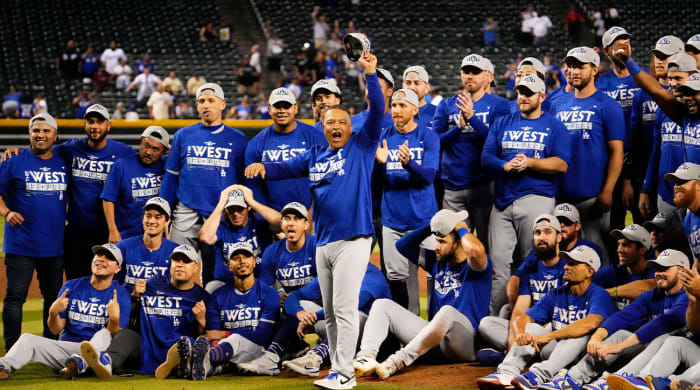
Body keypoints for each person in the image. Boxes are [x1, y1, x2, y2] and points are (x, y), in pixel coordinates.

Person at [244, 51, 383, 389]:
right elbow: (287, 167)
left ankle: (346, 373)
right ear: (322, 128)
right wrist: (266, 168)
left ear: (351, 128)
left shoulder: (362, 148)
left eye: (341, 122)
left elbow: (378, 109)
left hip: (355, 237)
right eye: (329, 123)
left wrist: (370, 74)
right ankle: (337, 368)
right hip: (324, 241)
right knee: (333, 312)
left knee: (344, 306)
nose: (335, 126)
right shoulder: (317, 155)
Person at [353, 209, 491, 379]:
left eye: (442, 241)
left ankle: (399, 360)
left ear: (458, 244)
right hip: (435, 342)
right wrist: (433, 224)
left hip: (465, 344)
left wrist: (460, 227)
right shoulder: (436, 261)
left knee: (447, 311)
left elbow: (476, 251)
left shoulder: (476, 267)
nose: (437, 247)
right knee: (382, 305)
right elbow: (402, 245)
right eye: (436, 241)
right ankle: (366, 357)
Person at [482, 75, 571, 314]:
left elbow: (562, 164)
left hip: (536, 197)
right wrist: (505, 166)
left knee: (532, 263)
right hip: (502, 202)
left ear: (542, 97)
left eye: (529, 93)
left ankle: (534, 319)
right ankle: (495, 320)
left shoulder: (554, 125)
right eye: (520, 92)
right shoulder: (503, 121)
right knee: (498, 265)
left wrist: (530, 162)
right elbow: (486, 157)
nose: (522, 96)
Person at [540, 249, 689, 390]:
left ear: (683, 272)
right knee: (619, 334)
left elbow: (664, 322)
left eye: (665, 269)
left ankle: (619, 379)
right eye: (657, 269)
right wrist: (597, 338)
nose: (659, 273)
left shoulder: (689, 296)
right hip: (655, 352)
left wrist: (619, 347)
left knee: (664, 338)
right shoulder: (654, 294)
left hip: (689, 356)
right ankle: (574, 378)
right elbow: (623, 316)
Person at [477, 245, 616, 389]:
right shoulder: (557, 293)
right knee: (531, 328)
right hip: (555, 350)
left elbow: (590, 324)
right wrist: (520, 334)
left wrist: (548, 336)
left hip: (585, 356)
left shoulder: (600, 295)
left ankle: (539, 375)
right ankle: (507, 372)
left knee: (580, 334)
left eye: (573, 264)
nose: (567, 267)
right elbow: (525, 317)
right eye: (567, 263)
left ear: (589, 272)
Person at [159, 83, 248, 285]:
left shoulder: (238, 139)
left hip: (222, 214)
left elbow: (243, 183)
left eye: (211, 101)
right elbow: (171, 177)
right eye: (201, 101)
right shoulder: (183, 135)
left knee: (221, 274)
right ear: (196, 106)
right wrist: (165, 213)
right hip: (185, 210)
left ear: (223, 104)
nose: (206, 105)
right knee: (177, 269)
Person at [0, 244, 130, 380]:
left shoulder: (120, 294)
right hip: (66, 353)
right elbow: (55, 330)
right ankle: (4, 366)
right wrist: (53, 312)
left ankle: (80, 363)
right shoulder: (72, 286)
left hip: (96, 354)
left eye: (108, 258)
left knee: (104, 334)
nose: (101, 259)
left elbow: (115, 337)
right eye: (98, 255)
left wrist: (114, 318)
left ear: (117, 268)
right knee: (27, 339)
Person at [155, 243, 280, 381]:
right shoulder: (218, 296)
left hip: (258, 352)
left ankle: (194, 359)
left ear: (254, 262)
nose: (242, 261)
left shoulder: (269, 293)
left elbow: (264, 336)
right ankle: (197, 368)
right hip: (225, 352)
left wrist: (225, 334)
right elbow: (212, 335)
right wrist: (217, 345)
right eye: (236, 258)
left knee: (234, 339)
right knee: (215, 360)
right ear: (229, 266)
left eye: (246, 256)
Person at [241, 262, 390, 377]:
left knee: (351, 314)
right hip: (339, 335)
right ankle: (270, 358)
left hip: (373, 340)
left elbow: (349, 305)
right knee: (303, 306)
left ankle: (316, 357)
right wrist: (300, 314)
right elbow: (294, 297)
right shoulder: (333, 272)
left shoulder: (371, 274)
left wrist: (315, 316)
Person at [549, 47, 625, 266]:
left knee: (597, 255)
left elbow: (617, 151)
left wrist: (608, 190)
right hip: (560, 195)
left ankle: (604, 298)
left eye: (579, 67)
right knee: (561, 256)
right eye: (570, 66)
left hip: (592, 196)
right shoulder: (557, 105)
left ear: (594, 69)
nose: (573, 71)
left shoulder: (608, 105)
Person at [0, 114, 68, 350]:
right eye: (36, 130)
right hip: (21, 244)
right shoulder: (13, 160)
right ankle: (12, 351)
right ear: (29, 134)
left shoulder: (64, 159)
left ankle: (51, 350)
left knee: (53, 299)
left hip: (54, 245)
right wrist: (6, 212)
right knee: (15, 298)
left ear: (55, 135)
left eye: (46, 131)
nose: (41, 135)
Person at [432, 53, 510, 254]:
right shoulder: (447, 105)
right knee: (453, 247)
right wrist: (457, 128)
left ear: (488, 76)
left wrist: (472, 119)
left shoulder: (499, 105)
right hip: (453, 187)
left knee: (485, 246)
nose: (470, 76)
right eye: (466, 71)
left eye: (475, 72)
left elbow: (500, 144)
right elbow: (434, 142)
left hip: (484, 186)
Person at [376, 88, 440, 314]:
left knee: (436, 275)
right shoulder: (383, 137)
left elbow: (429, 176)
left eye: (402, 105)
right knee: (399, 283)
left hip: (424, 224)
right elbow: (374, 183)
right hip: (393, 223)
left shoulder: (428, 136)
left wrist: (409, 164)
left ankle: (435, 329)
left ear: (415, 109)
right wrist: (380, 164)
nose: (396, 110)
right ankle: (408, 336)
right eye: (393, 105)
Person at [477, 215, 567, 365]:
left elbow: (563, 313)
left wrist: (532, 331)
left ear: (559, 237)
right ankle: (518, 353)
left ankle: (515, 355)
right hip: (529, 329)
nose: (541, 237)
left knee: (545, 339)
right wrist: (516, 338)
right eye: (537, 233)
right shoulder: (529, 268)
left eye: (547, 232)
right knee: (486, 324)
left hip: (555, 331)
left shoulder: (568, 267)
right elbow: (520, 310)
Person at [245, 87, 327, 211]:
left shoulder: (314, 136)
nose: (282, 111)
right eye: (277, 107)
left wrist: (312, 212)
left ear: (295, 108)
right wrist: (266, 217)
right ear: (269, 109)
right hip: (273, 215)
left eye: (286, 106)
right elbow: (254, 186)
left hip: (310, 214)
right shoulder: (256, 143)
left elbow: (326, 178)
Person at [640, 53, 699, 217]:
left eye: (678, 78)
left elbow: (654, 90)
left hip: (694, 195)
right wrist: (646, 188)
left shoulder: (687, 114)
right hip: (667, 193)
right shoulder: (669, 112)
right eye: (670, 78)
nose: (673, 83)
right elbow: (656, 151)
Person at [199, 185, 278, 287]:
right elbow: (205, 238)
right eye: (231, 209)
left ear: (248, 207)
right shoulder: (222, 228)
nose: (235, 214)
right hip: (228, 284)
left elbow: (280, 223)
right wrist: (221, 203)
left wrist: (251, 201)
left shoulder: (259, 224)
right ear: (226, 209)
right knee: (211, 286)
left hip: (260, 282)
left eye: (240, 209)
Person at [101, 126, 169, 242]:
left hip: (157, 236)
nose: (148, 152)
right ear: (141, 141)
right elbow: (108, 199)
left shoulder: (167, 165)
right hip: (126, 235)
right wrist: (113, 230)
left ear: (163, 152)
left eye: (155, 149)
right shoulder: (122, 165)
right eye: (146, 145)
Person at [115, 197, 178, 292]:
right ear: (142, 218)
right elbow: (111, 284)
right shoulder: (123, 247)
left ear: (167, 221)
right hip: (126, 304)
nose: (152, 221)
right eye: (148, 216)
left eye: (157, 217)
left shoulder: (176, 252)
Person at [258, 202, 316, 298]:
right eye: (286, 219)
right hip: (287, 305)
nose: (290, 223)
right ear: (281, 224)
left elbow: (325, 282)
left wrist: (296, 296)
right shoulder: (271, 252)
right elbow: (266, 290)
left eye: (296, 219)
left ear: (306, 224)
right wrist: (276, 298)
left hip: (317, 301)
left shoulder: (317, 246)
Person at [597, 224, 656, 310]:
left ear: (642, 249)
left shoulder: (655, 269)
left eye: (625, 245)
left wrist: (610, 292)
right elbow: (586, 283)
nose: (619, 250)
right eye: (619, 244)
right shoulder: (615, 270)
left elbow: (648, 288)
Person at [664, 163, 700, 261]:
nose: (676, 187)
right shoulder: (688, 219)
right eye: (675, 183)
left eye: (682, 182)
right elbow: (698, 259)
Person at [402, 65, 435, 130]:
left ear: (427, 88)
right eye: (408, 83)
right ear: (403, 86)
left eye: (417, 83)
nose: (412, 87)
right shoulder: (395, 113)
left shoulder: (437, 113)